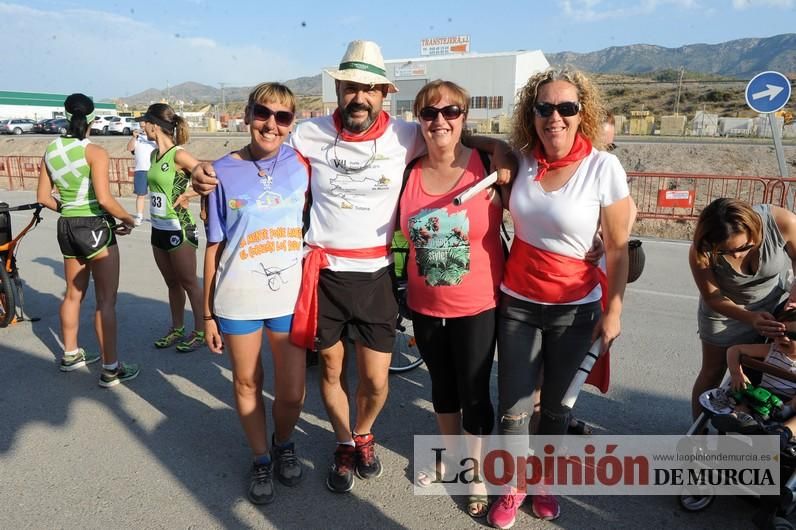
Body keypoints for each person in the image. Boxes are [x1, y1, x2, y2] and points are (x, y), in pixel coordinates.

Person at [192, 40, 514, 495]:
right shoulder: (307, 133)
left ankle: (364, 431)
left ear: (383, 92)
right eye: (348, 87)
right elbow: (253, 156)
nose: (358, 97)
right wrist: (203, 169)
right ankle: (345, 442)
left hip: (376, 273)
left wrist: (500, 149)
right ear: (338, 88)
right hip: (323, 274)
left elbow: (454, 133)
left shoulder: (408, 134)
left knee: (377, 381)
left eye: (368, 89)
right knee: (329, 372)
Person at [487, 66, 631, 528]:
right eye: (544, 108)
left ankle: (544, 479)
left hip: (575, 307)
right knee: (512, 405)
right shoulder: (524, 160)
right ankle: (512, 483)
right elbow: (477, 141)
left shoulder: (602, 166)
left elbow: (617, 247)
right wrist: (497, 149)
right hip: (518, 304)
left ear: (581, 113)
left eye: (566, 108)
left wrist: (614, 310)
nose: (555, 117)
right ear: (531, 115)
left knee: (555, 407)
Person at [399, 80, 503, 518]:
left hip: (478, 303)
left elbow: (538, 211)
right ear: (418, 119)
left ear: (464, 117)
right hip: (424, 304)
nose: (440, 120)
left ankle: (475, 470)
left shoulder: (489, 165)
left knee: (475, 390)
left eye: (451, 112)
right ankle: (449, 454)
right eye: (429, 113)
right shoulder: (408, 168)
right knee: (441, 385)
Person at [203, 82, 309, 505]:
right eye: (263, 113)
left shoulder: (302, 164)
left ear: (291, 124)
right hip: (238, 296)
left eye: (282, 117)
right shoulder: (220, 172)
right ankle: (261, 456)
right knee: (248, 381)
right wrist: (207, 314)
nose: (271, 124)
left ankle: (284, 442)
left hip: (289, 298)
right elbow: (214, 245)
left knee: (292, 390)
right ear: (247, 114)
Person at [36, 93, 139, 387]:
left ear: (65, 116)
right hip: (95, 226)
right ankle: (111, 368)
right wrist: (128, 219)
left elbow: (43, 197)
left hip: (67, 226)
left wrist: (68, 209)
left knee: (72, 293)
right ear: (93, 118)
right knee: (106, 301)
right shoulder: (95, 152)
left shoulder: (50, 149)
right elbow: (105, 199)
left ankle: (70, 354)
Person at [689, 198, 796, 420]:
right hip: (724, 313)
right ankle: (697, 438)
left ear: (755, 228)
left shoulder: (782, 222)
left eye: (745, 247)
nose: (737, 255)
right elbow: (713, 296)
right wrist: (750, 318)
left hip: (771, 308)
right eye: (725, 252)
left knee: (759, 373)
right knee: (712, 373)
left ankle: (749, 424)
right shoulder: (701, 250)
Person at [137, 103, 206, 353]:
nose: (142, 126)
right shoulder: (154, 155)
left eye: (145, 121)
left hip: (180, 228)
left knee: (189, 282)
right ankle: (177, 328)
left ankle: (200, 331)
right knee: (171, 283)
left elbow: (209, 176)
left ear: (155, 125)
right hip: (159, 228)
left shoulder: (178, 154)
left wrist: (189, 193)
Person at [713, 308, 796, 436]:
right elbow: (734, 350)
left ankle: (782, 430)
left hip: (789, 404)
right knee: (742, 397)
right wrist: (737, 373)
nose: (784, 338)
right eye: (780, 332)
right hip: (763, 395)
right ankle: (742, 419)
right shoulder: (772, 350)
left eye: (792, 335)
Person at [126, 127, 157, 225]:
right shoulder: (137, 138)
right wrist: (134, 137)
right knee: (141, 195)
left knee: (156, 194)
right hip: (140, 170)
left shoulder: (154, 138)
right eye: (141, 126)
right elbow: (129, 148)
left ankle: (156, 216)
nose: (143, 128)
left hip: (153, 169)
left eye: (145, 125)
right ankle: (139, 216)